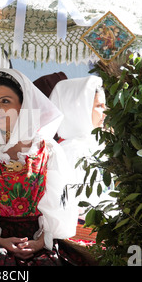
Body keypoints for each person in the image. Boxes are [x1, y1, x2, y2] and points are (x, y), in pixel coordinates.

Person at [0, 68, 92, 266]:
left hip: (38, 239)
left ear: (23, 105)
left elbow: (57, 209)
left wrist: (39, 242)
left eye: (5, 101)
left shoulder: (48, 151)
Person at [49, 75, 112, 214]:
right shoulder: (71, 152)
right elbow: (75, 207)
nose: (105, 112)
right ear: (77, 109)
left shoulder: (94, 145)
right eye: (99, 106)